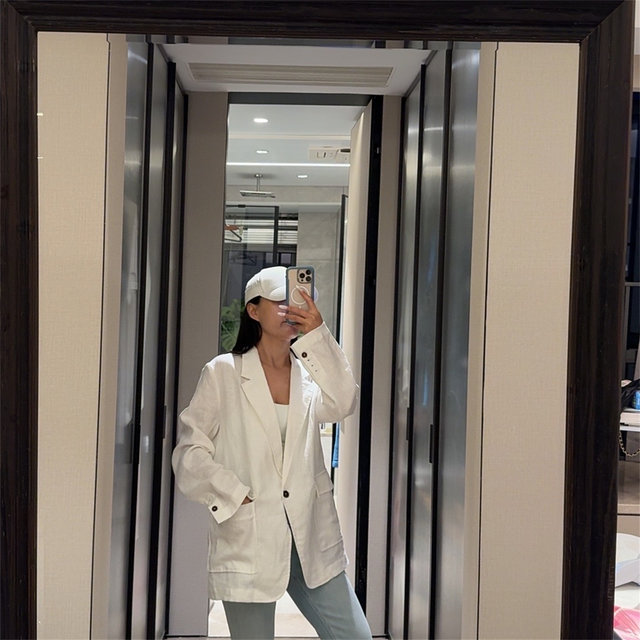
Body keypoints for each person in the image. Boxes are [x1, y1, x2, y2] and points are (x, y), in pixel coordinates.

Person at [172, 265, 372, 640]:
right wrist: (235, 493)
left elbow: (344, 402)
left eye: (295, 300)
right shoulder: (223, 373)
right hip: (252, 532)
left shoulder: (310, 375)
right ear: (253, 310)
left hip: (310, 534)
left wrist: (318, 335)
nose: (289, 309)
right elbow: (189, 454)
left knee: (355, 635)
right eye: (279, 302)